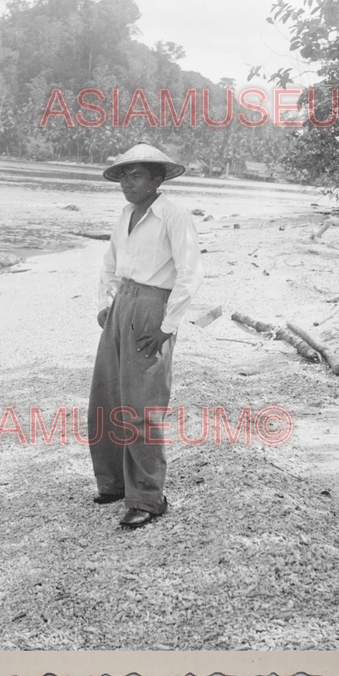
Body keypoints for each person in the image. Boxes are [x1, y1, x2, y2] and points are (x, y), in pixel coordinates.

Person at [87, 142, 203, 528]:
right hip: (123, 304)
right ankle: (114, 482)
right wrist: (107, 302)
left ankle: (148, 498)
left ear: (157, 178)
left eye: (136, 175)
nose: (127, 183)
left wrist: (167, 327)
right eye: (123, 175)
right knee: (106, 397)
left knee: (142, 408)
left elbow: (190, 273)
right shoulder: (125, 215)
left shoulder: (174, 215)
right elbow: (110, 264)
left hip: (154, 307)